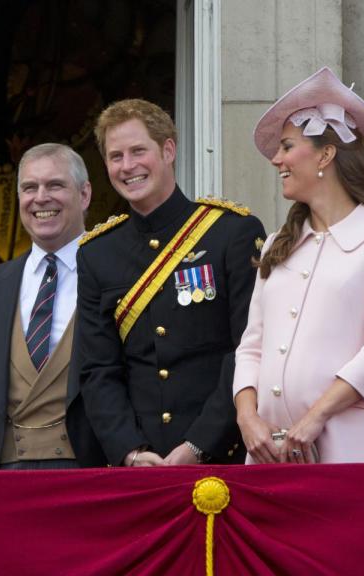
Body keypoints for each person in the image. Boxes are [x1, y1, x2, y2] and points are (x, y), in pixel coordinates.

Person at [233, 67, 364, 464]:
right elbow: (252, 345)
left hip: (352, 443)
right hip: (269, 451)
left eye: (286, 146)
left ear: (326, 154)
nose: (275, 159)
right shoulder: (278, 245)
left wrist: (316, 416)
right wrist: (248, 418)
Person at [77, 99, 266, 467]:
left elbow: (247, 350)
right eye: (116, 156)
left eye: (138, 151)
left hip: (219, 455)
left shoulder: (231, 232)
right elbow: (98, 370)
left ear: (168, 150)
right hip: (140, 465)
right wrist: (130, 451)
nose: (127, 166)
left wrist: (198, 445)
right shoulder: (97, 254)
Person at [0, 143, 105, 469]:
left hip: (90, 470)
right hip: (1, 476)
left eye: (55, 185)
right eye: (29, 187)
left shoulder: (116, 275)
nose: (41, 197)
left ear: (84, 195)